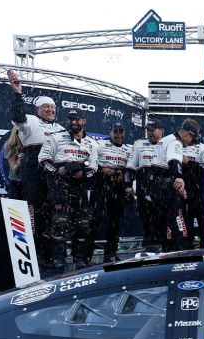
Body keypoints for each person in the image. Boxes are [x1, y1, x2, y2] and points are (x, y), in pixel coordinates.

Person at [38, 110, 98, 271]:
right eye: (71, 119)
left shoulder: (92, 143)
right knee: (59, 223)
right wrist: (58, 171)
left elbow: (93, 168)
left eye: (77, 119)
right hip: (59, 185)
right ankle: (59, 258)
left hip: (80, 187)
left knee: (83, 224)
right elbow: (43, 160)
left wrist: (82, 174)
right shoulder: (55, 137)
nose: (73, 122)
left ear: (84, 120)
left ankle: (79, 258)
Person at [8, 71, 68, 231]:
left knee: (54, 207)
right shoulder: (31, 120)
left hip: (53, 169)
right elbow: (18, 115)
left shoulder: (61, 129)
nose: (50, 109)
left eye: (52, 107)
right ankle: (35, 247)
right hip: (33, 166)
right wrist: (17, 94)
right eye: (45, 106)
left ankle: (50, 249)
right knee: (34, 208)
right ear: (37, 109)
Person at [88, 125, 133, 263]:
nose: (118, 134)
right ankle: (86, 255)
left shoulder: (129, 149)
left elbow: (131, 169)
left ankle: (110, 254)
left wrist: (126, 182)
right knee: (94, 221)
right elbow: (92, 162)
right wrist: (102, 170)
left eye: (121, 131)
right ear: (110, 132)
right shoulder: (99, 144)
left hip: (118, 188)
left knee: (115, 223)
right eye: (116, 131)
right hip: (101, 185)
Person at [150, 121, 193, 252]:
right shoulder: (175, 142)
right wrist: (178, 176)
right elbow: (174, 160)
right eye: (192, 139)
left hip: (156, 185)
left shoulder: (166, 139)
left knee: (161, 220)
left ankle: (162, 249)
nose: (190, 143)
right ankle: (179, 248)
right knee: (177, 217)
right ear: (187, 134)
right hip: (167, 184)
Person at [131, 119, 163, 248]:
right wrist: (128, 185)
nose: (150, 132)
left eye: (152, 130)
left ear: (161, 130)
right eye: (148, 130)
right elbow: (132, 164)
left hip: (160, 182)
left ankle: (159, 243)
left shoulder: (168, 144)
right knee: (145, 215)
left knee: (159, 215)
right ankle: (147, 243)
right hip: (143, 182)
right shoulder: (138, 144)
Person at [182, 120, 204, 247]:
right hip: (184, 194)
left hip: (202, 194)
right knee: (185, 231)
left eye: (197, 133)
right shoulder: (178, 147)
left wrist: (188, 163)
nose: (195, 135)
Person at [3, 125, 23, 200]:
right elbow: (15, 169)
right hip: (17, 183)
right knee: (17, 209)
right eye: (20, 132)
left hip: (32, 182)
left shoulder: (33, 144)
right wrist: (20, 162)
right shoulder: (10, 145)